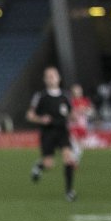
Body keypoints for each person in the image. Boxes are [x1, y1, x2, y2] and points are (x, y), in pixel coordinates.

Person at [26, 66, 78, 202]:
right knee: (49, 164)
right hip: (47, 132)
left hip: (62, 131)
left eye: (53, 75)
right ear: (44, 79)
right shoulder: (40, 96)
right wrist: (40, 119)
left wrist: (75, 116)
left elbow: (72, 113)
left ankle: (69, 191)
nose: (51, 78)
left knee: (68, 158)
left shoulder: (66, 95)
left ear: (59, 78)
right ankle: (39, 166)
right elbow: (30, 115)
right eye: (48, 76)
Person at [69, 83, 94, 163]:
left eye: (79, 90)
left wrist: (86, 111)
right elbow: (69, 113)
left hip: (82, 126)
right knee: (74, 143)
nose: (77, 92)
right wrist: (74, 113)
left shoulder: (85, 100)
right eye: (76, 90)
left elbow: (91, 111)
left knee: (79, 146)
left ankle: (75, 161)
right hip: (73, 125)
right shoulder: (70, 101)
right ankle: (72, 160)